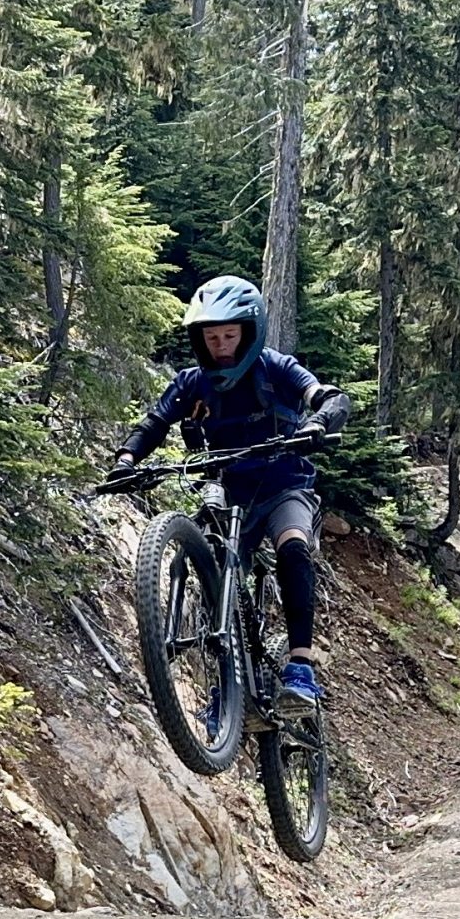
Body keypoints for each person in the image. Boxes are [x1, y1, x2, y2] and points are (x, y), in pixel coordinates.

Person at [114, 274, 351, 715]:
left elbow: (328, 397)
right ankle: (230, 685)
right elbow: (154, 423)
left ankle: (300, 668)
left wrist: (319, 422)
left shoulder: (276, 367)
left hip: (284, 483)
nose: (221, 345)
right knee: (217, 573)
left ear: (249, 332)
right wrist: (127, 459)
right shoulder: (190, 383)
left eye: (229, 335)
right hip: (230, 488)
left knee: (293, 547)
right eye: (212, 336)